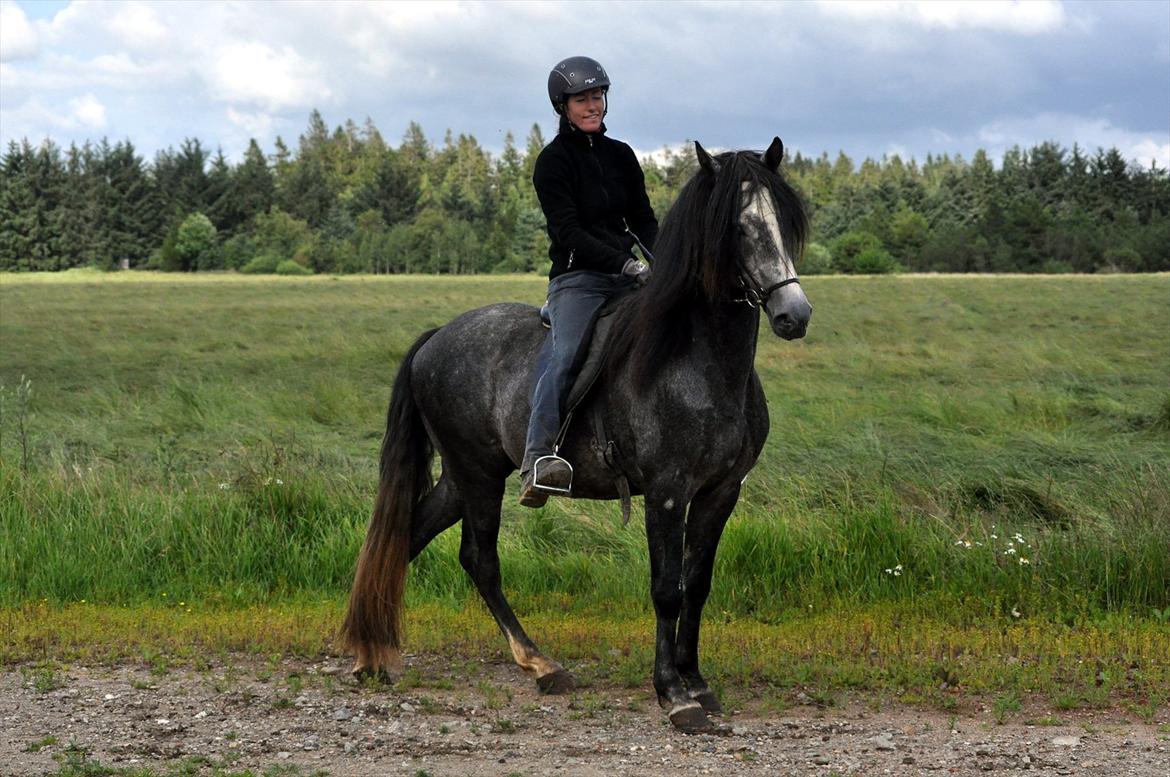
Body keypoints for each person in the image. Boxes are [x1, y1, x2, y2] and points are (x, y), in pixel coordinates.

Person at [519, 55, 659, 508]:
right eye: (582, 99)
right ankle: (538, 459)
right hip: (579, 279)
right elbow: (569, 232)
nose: (592, 104)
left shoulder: (621, 155)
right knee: (567, 357)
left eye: (597, 95)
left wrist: (665, 262)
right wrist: (625, 265)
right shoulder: (553, 162)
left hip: (629, 276)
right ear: (563, 106)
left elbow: (643, 219)